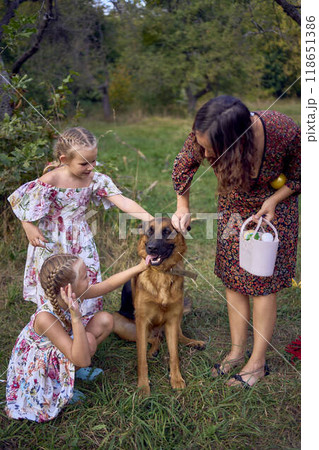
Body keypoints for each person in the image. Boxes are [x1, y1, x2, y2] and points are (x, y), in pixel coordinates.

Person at [171, 95, 300, 388]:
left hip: (275, 210)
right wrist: (183, 205)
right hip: (234, 208)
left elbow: (302, 171)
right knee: (235, 278)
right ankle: (236, 352)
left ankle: (257, 363)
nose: (203, 153)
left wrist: (275, 199)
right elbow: (183, 165)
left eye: (209, 148)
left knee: (262, 282)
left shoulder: (282, 130)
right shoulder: (206, 133)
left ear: (236, 139)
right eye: (201, 145)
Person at [8, 127, 153, 318]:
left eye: (93, 160)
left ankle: (83, 321)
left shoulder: (95, 179)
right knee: (55, 280)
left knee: (84, 280)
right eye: (84, 163)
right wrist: (28, 226)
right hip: (51, 240)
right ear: (64, 160)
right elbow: (22, 202)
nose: (91, 167)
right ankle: (54, 322)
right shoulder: (50, 179)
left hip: (80, 238)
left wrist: (151, 219)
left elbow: (123, 201)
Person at [5, 253, 148, 422]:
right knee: (87, 341)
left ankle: (73, 374)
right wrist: (76, 317)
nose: (90, 278)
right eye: (85, 276)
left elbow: (108, 284)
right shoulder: (45, 318)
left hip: (63, 347)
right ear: (67, 289)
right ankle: (62, 387)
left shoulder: (72, 293)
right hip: (40, 367)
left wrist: (140, 268)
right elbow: (82, 359)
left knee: (105, 320)